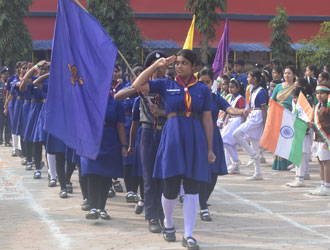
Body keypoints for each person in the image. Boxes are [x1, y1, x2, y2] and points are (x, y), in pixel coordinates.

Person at [132, 49, 215, 249]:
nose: (179, 66)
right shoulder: (166, 84)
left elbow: (207, 119)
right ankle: (168, 223)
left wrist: (210, 149)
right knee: (169, 186)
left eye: (184, 63)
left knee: (192, 187)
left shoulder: (202, 90)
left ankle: (188, 234)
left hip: (195, 138)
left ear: (193, 66)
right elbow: (137, 85)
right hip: (172, 137)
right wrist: (157, 65)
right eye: (177, 63)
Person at [115, 50, 168, 234]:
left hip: (167, 131)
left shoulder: (170, 85)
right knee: (149, 177)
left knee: (165, 176)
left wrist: (161, 112)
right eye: (156, 67)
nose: (160, 71)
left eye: (163, 67)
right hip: (147, 132)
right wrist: (137, 90)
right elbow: (118, 96)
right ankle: (152, 215)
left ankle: (164, 214)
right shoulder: (143, 86)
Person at [198, 68, 246, 221]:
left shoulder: (214, 98)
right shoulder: (193, 97)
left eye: (208, 82)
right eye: (201, 82)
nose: (205, 85)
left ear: (212, 83)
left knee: (213, 173)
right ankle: (201, 205)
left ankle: (203, 200)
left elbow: (228, 108)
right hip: (196, 135)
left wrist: (239, 111)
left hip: (213, 136)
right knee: (197, 171)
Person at [81, 76, 128, 220]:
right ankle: (93, 207)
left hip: (110, 139)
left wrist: (124, 145)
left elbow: (120, 125)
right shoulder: (88, 101)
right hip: (92, 139)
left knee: (106, 175)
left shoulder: (116, 102)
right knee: (93, 173)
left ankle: (102, 207)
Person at [233, 70, 268, 180]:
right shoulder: (252, 89)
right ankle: (258, 173)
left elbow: (264, 109)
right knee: (254, 143)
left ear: (255, 79)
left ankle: (252, 154)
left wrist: (265, 123)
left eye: (249, 77)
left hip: (257, 116)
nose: (247, 79)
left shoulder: (261, 91)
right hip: (252, 114)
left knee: (236, 133)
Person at [286, 87, 313, 187]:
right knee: (297, 156)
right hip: (297, 134)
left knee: (301, 156)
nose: (294, 99)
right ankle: (297, 177)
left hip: (303, 134)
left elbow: (307, 121)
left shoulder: (304, 107)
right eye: (293, 97)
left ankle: (301, 179)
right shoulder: (297, 106)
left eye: (295, 97)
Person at [271, 65, 296, 170]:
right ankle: (279, 164)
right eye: (285, 73)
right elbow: (272, 101)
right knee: (279, 141)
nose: (287, 75)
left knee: (288, 140)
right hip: (278, 115)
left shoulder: (296, 87)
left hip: (289, 116)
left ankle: (289, 163)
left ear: (294, 75)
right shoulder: (278, 86)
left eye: (289, 73)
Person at [309, 83, 330, 195]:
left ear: (327, 94)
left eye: (322, 93)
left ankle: (327, 185)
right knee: (320, 161)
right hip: (317, 137)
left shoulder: (328, 106)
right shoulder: (317, 106)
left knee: (326, 162)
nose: (319, 95)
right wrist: (311, 125)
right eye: (317, 93)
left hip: (326, 138)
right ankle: (322, 184)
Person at [222, 79, 246, 174]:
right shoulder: (231, 97)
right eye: (229, 87)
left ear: (237, 88)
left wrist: (243, 124)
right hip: (231, 120)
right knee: (231, 143)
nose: (230, 89)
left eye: (232, 87)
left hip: (237, 120)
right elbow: (228, 111)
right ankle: (235, 165)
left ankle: (235, 161)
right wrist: (225, 121)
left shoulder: (240, 99)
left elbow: (243, 112)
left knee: (225, 140)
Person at [0, 66, 11, 146]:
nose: (6, 75)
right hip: (1, 104)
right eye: (5, 74)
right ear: (1, 74)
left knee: (8, 123)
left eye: (7, 74)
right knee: (1, 122)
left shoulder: (10, 82)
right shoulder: (0, 82)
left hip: (9, 104)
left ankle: (7, 140)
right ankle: (0, 139)